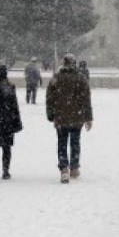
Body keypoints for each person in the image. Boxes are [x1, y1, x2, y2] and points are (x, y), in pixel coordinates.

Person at [46, 53, 93, 184]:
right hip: (77, 117)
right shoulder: (81, 78)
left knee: (62, 142)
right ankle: (74, 167)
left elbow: (50, 97)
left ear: (64, 63)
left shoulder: (56, 78)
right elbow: (86, 99)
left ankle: (63, 168)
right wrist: (88, 118)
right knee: (75, 142)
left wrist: (51, 114)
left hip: (61, 117)